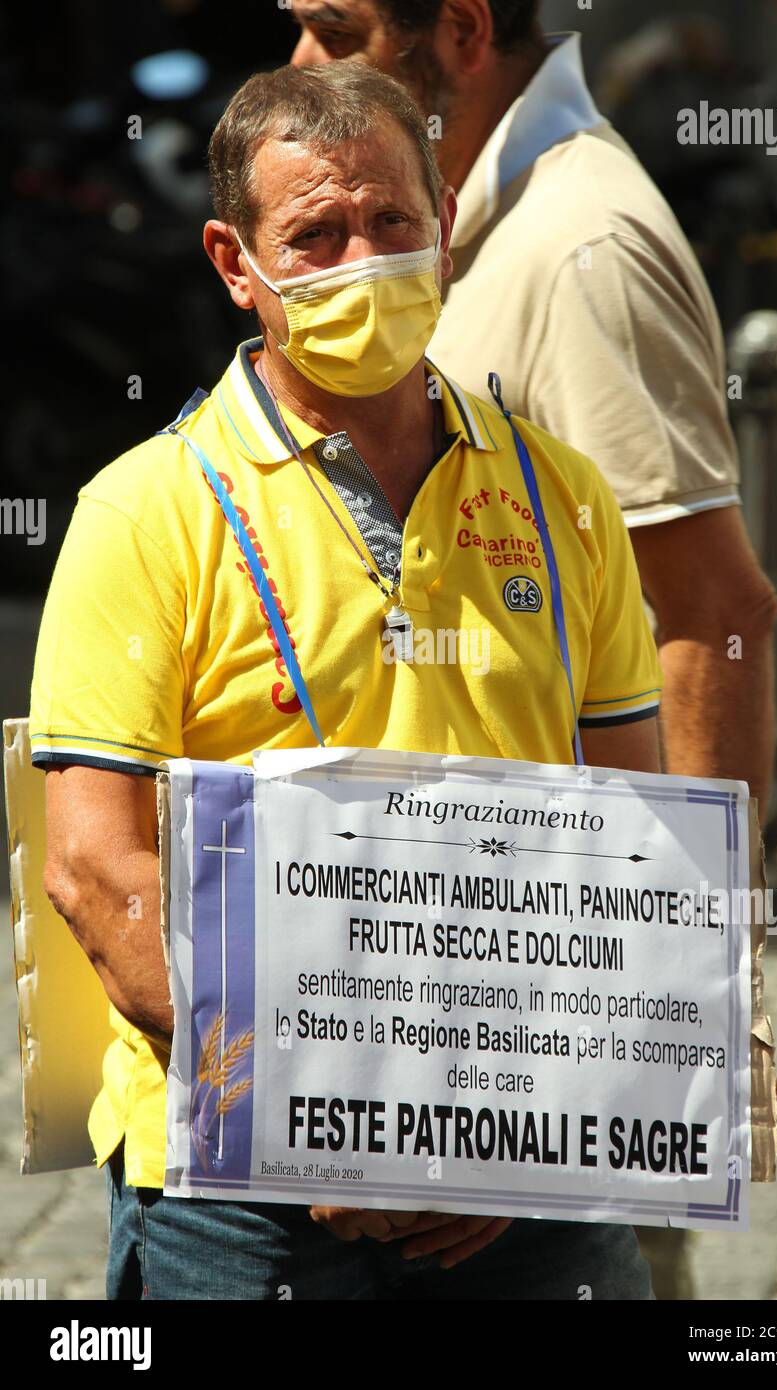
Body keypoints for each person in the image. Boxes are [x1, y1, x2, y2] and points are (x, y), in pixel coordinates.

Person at [31, 61, 664, 1300]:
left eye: (392, 223)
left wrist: (522, 1122)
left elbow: (633, 839)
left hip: (522, 1167)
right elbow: (98, 873)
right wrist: (317, 1120)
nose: (363, 261)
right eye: (314, 236)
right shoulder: (145, 512)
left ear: (443, 228)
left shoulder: (565, 499)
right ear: (234, 261)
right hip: (243, 1193)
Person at [290, 0, 777, 1300]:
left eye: (330, 27)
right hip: (442, 1020)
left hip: (553, 1043)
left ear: (455, 31)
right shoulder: (475, 221)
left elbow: (711, 616)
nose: (298, 67)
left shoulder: (582, 245)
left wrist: (648, 1028)